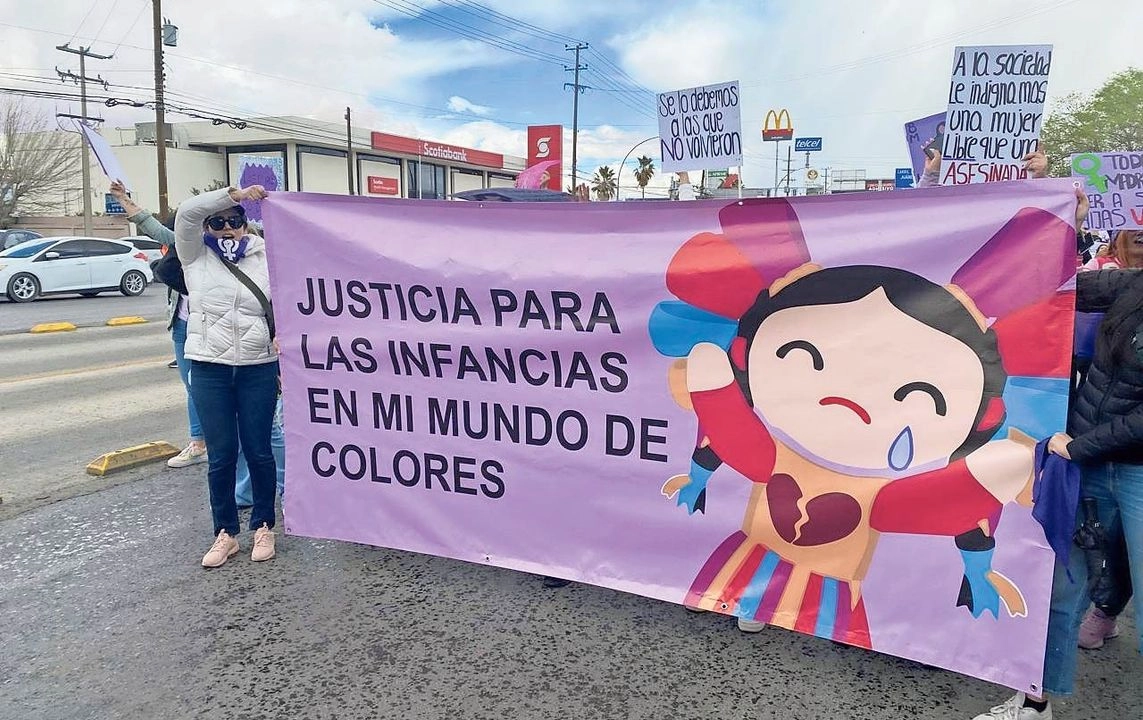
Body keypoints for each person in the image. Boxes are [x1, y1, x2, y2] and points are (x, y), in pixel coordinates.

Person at [176, 184, 279, 568]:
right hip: (209, 369)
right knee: (221, 455)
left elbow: (289, 297)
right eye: (217, 222)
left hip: (258, 367)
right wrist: (232, 196)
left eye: (234, 221)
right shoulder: (194, 256)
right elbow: (186, 212)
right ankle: (225, 533)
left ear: (245, 225)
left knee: (259, 451)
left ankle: (264, 525)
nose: (226, 228)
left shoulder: (266, 256)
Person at [109, 181, 206, 469]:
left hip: (211, 326)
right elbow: (153, 228)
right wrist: (124, 200)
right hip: (181, 323)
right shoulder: (182, 243)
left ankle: (223, 441)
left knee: (209, 388)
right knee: (191, 386)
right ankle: (199, 442)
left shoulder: (217, 246)